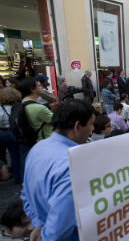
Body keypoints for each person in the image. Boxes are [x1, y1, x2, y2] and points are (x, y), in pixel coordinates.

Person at [21, 100, 96, 241]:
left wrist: (39, 224)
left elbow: (25, 193)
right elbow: (60, 225)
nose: (92, 129)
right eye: (91, 124)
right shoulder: (71, 165)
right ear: (77, 126)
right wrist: (45, 235)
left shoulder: (38, 148)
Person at [19, 78, 53, 143]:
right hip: (45, 140)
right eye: (39, 85)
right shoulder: (40, 108)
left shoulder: (23, 102)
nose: (42, 87)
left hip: (34, 139)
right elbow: (57, 121)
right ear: (32, 90)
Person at [0, 87, 22, 183]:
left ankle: (17, 177)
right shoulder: (17, 106)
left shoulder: (1, 107)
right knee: (22, 152)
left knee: (13, 154)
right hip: (14, 131)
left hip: (3, 132)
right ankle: (23, 176)